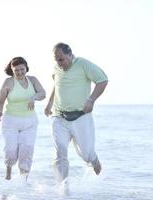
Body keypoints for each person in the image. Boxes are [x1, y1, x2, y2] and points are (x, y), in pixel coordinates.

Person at [44, 43, 108, 185]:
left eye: (61, 59)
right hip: (59, 116)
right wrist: (49, 104)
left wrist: (91, 100)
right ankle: (63, 188)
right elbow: (57, 85)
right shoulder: (56, 68)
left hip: (81, 117)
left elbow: (103, 80)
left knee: (86, 153)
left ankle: (94, 159)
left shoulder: (83, 64)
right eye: (56, 60)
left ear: (70, 54)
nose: (59, 63)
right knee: (60, 152)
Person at [0, 56, 46, 181]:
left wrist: (33, 97)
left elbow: (42, 93)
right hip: (10, 122)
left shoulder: (33, 80)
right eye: (16, 70)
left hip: (29, 122)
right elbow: (0, 100)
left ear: (26, 68)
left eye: (22, 69)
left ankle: (23, 180)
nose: (19, 72)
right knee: (11, 150)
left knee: (27, 149)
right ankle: (8, 171)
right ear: (12, 70)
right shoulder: (8, 82)